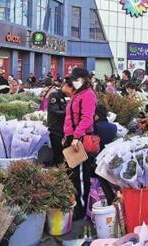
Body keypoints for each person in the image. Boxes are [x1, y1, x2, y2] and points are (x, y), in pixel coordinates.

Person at [63, 67, 97, 219]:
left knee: (81, 175)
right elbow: (70, 117)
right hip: (72, 137)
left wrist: (76, 137)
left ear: (84, 79)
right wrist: (66, 136)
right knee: (72, 174)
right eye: (73, 79)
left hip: (80, 138)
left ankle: (81, 209)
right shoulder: (77, 94)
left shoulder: (88, 95)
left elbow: (87, 119)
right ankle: (76, 203)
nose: (74, 82)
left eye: (76, 79)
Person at [93, 104, 118, 203]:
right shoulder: (113, 127)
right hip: (110, 157)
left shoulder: (95, 127)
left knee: (102, 180)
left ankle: (109, 199)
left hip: (98, 159)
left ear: (96, 115)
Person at [47, 78, 73, 166]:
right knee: (57, 152)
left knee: (61, 152)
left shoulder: (64, 97)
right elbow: (55, 111)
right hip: (55, 128)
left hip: (63, 128)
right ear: (65, 86)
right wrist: (69, 113)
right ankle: (57, 168)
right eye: (71, 89)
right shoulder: (54, 95)